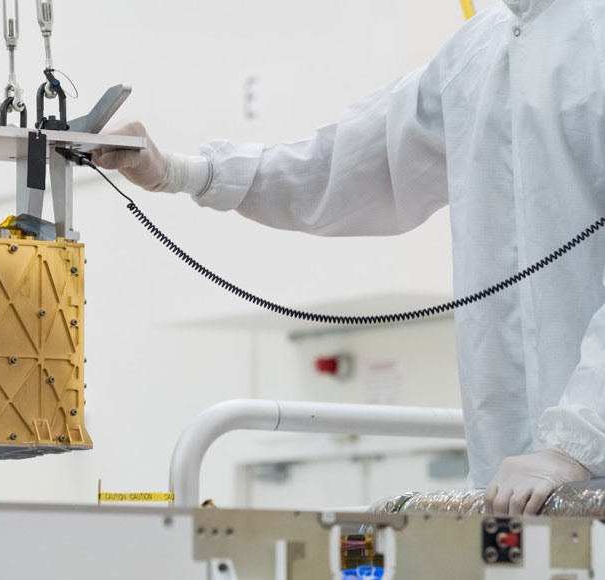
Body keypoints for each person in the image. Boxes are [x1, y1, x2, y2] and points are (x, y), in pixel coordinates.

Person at [96, 0, 605, 516]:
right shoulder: (479, 53)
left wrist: (575, 445)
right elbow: (346, 166)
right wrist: (181, 172)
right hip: (513, 492)